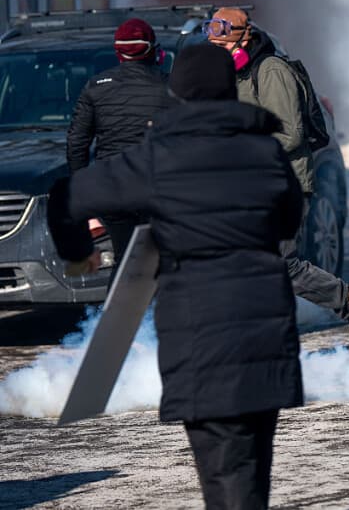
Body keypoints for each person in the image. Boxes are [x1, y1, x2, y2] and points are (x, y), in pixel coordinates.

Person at [48, 43, 305, 509]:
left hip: (199, 334)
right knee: (252, 468)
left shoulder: (158, 159)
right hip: (266, 331)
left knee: (225, 475)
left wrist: (79, 254)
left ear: (178, 92)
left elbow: (66, 198)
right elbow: (288, 223)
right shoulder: (266, 151)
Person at [206, 7, 349, 350]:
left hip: (286, 184)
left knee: (281, 263)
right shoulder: (235, 79)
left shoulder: (271, 70)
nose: (217, 56)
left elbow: (290, 134)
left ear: (243, 41)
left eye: (222, 47)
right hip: (252, 187)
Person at [66, 17, 172, 266]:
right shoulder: (170, 86)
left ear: (118, 52)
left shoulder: (95, 87)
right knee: (164, 260)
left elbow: (76, 144)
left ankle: (123, 291)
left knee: (125, 261)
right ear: (154, 51)